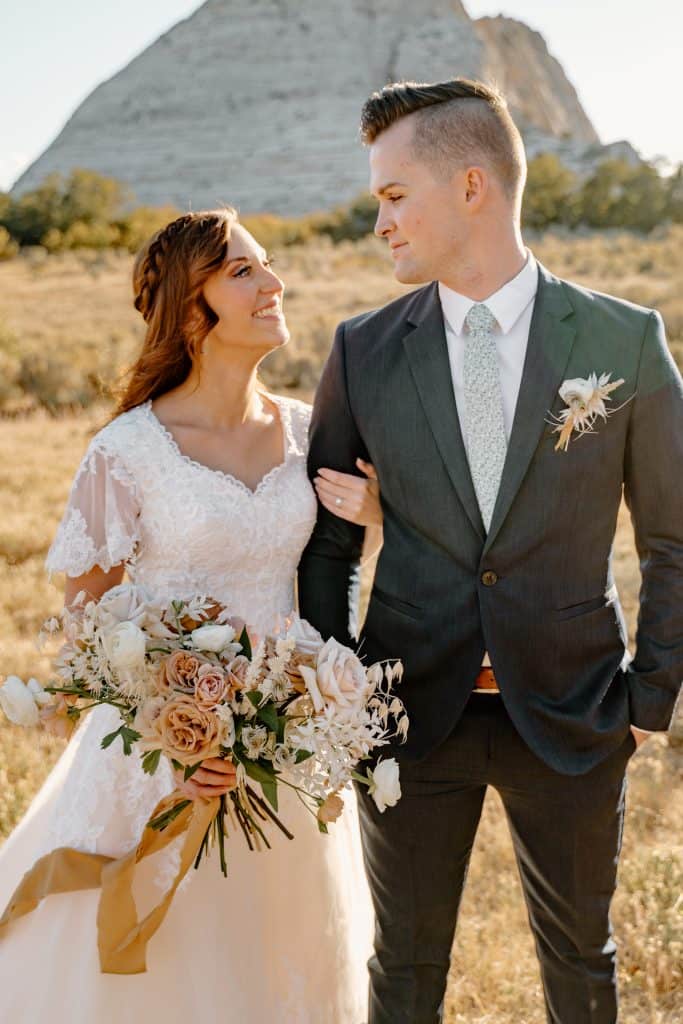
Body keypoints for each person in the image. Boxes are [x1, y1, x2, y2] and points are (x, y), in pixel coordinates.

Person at [298, 78, 683, 1024]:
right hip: (405, 710)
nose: (379, 222)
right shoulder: (362, 349)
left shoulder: (622, 338)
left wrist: (649, 699)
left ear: (471, 185)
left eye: (395, 195)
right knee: (403, 969)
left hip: (574, 708)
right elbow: (326, 549)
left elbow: (672, 538)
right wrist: (340, 690)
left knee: (582, 966)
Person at [0, 208, 381, 1023]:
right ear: (188, 308)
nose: (273, 282)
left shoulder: (309, 433)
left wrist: (381, 513)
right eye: (243, 271)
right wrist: (177, 735)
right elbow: (86, 631)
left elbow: (341, 567)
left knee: (277, 963)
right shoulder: (126, 451)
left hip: (284, 748)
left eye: (267, 264)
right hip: (159, 756)